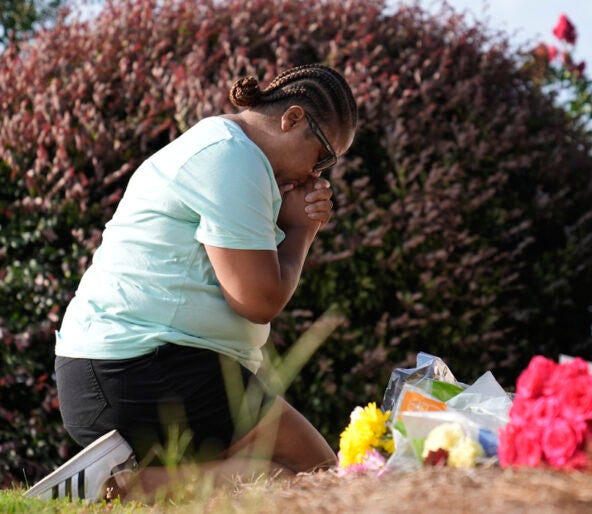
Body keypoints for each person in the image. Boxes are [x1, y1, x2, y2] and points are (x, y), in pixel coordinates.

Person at [24, 63, 358, 502]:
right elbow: (258, 301)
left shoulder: (224, 150)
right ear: (292, 119)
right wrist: (301, 232)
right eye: (323, 157)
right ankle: (115, 491)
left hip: (114, 373)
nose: (316, 176)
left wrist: (285, 219)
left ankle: (114, 487)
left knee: (277, 478)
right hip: (140, 367)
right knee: (315, 472)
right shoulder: (233, 158)